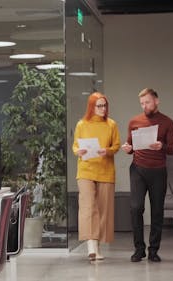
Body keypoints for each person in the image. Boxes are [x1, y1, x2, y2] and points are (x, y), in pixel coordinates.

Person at [121, 88, 173, 263]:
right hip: (138, 169)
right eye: (142, 103)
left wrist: (162, 146)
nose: (145, 106)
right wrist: (128, 149)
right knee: (136, 208)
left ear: (156, 101)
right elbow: (130, 145)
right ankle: (139, 249)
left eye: (147, 102)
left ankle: (153, 250)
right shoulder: (134, 121)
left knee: (157, 211)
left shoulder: (167, 122)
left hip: (158, 171)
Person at [72, 92, 120, 261]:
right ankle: (91, 246)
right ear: (91, 106)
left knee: (103, 209)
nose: (103, 108)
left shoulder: (111, 124)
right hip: (86, 169)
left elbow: (116, 145)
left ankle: (97, 246)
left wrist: (107, 151)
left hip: (105, 170)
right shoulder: (81, 124)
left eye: (105, 105)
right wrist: (79, 151)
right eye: (99, 105)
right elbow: (75, 146)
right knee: (88, 206)